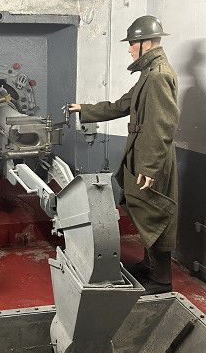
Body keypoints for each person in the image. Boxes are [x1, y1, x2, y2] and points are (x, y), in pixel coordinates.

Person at [67, 16, 179, 295]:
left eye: (131, 43)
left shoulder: (158, 75)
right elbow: (121, 105)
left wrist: (150, 167)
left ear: (146, 43)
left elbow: (163, 125)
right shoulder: (148, 73)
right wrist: (85, 109)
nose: (129, 49)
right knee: (143, 209)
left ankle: (161, 280)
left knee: (155, 212)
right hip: (142, 152)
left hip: (152, 157)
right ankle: (149, 265)